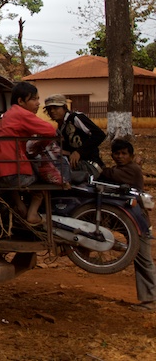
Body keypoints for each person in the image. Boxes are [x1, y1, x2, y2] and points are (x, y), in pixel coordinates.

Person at [0, 81, 59, 224]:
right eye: (34, 99)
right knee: (44, 177)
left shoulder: (9, 114)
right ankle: (32, 213)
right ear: (20, 101)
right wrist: (40, 146)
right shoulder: (21, 113)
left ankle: (20, 206)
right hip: (12, 172)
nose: (38, 103)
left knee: (17, 178)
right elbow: (51, 131)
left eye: (38, 99)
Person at [98, 139, 156, 312]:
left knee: (144, 261)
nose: (120, 156)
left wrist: (96, 165)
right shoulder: (124, 168)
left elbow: (108, 174)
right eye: (117, 154)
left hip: (139, 222)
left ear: (131, 155)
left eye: (124, 153)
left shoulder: (131, 170)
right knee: (142, 260)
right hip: (128, 220)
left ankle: (151, 301)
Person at [43, 94, 106, 177]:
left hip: (89, 164)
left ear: (64, 107)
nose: (52, 111)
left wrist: (79, 152)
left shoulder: (75, 118)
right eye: (49, 109)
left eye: (56, 108)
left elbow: (99, 135)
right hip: (75, 165)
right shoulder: (60, 128)